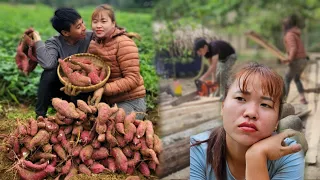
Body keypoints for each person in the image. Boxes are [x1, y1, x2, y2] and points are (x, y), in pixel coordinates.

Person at [190, 63, 304, 180]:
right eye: (240, 98)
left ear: (276, 122)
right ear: (222, 107)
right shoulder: (198, 149)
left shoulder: (289, 154)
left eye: (265, 104)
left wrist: (256, 156)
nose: (251, 113)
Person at [85, 4, 147, 119]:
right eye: (95, 22)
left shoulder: (124, 43)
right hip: (106, 102)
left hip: (131, 101)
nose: (98, 26)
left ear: (113, 23)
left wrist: (103, 89)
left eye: (103, 21)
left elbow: (133, 79)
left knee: (111, 127)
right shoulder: (93, 44)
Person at [32, 8, 93, 118]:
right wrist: (37, 39)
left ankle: (78, 114)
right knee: (49, 73)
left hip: (85, 87)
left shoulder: (90, 37)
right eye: (78, 27)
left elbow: (108, 34)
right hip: (62, 89)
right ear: (65, 32)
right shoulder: (55, 42)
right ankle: (40, 115)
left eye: (82, 23)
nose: (84, 28)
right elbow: (47, 64)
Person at [282, 14, 308, 104]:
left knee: (286, 79)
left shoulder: (289, 35)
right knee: (297, 79)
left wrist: (289, 59)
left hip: (297, 61)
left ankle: (283, 101)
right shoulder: (295, 34)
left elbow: (293, 48)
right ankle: (302, 98)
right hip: (303, 60)